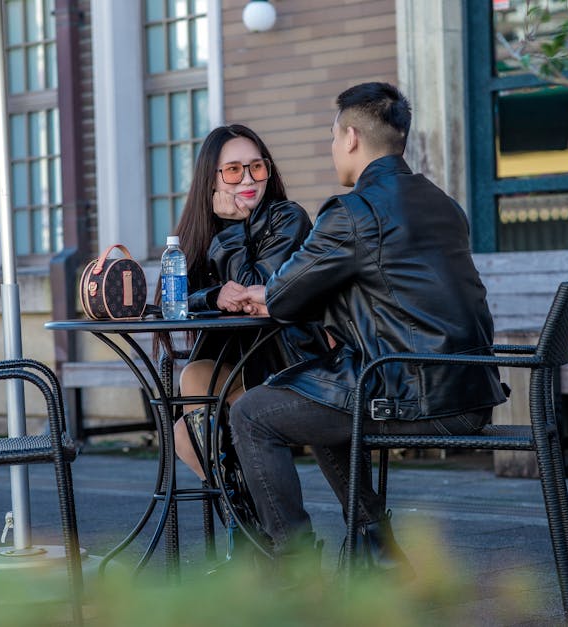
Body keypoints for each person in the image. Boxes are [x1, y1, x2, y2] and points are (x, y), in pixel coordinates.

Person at [224, 82, 508, 571]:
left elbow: (289, 294)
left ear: (352, 136)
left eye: (333, 138)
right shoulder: (442, 203)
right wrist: (273, 298)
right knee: (318, 386)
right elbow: (394, 290)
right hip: (470, 387)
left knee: (254, 412)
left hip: (416, 393)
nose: (331, 149)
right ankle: (377, 551)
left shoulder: (353, 212)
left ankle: (292, 567)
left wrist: (265, 295)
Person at [161, 124, 324, 482]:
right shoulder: (200, 229)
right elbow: (172, 298)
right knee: (184, 429)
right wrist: (212, 295)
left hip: (282, 365)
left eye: (257, 166)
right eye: (234, 169)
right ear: (213, 179)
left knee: (224, 411)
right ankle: (241, 511)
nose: (248, 178)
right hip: (236, 363)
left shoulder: (287, 218)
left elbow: (254, 292)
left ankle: (258, 518)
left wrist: (233, 227)